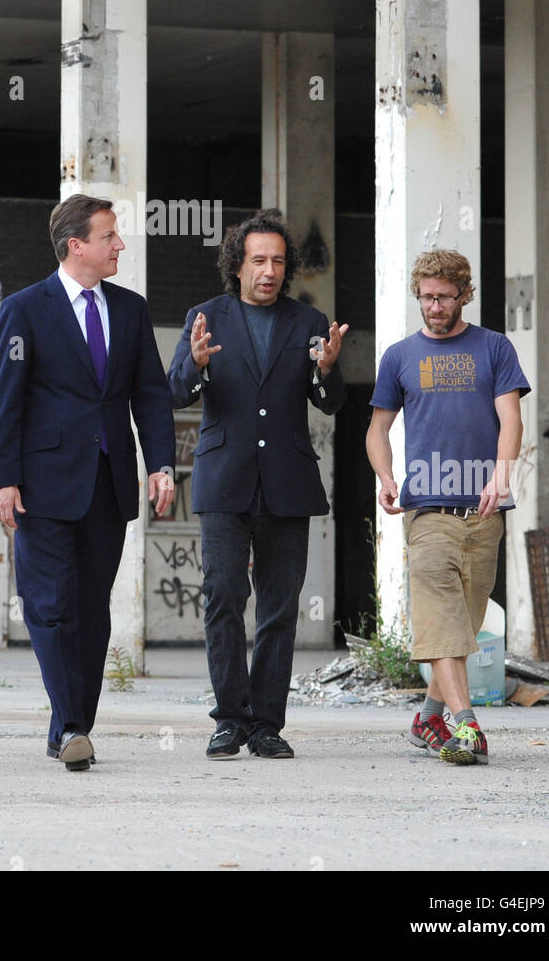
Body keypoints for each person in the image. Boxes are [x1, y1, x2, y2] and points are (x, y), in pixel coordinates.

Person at [0, 195, 175, 771]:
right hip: (41, 486)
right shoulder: (25, 309)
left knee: (92, 610)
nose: (120, 245)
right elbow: (6, 402)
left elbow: (149, 393)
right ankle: (70, 724)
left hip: (108, 482)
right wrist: (3, 480)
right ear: (77, 246)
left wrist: (161, 464)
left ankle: (71, 724)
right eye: (110, 236)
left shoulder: (132, 309)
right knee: (49, 606)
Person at [167, 210, 348, 759]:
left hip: (288, 483)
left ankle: (266, 723)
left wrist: (327, 371)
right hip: (224, 481)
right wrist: (195, 364)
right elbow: (174, 393)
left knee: (279, 607)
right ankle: (229, 719)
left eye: (277, 261)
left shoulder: (309, 323)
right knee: (222, 597)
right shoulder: (205, 317)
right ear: (237, 265)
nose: (268, 271)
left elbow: (331, 403)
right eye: (258, 260)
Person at [366, 249, 529, 766]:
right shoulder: (399, 356)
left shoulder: (494, 348)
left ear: (464, 294)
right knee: (439, 615)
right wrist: (387, 476)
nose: (434, 306)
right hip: (428, 509)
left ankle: (428, 716)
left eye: (444, 297)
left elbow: (511, 421)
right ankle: (467, 727)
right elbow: (377, 429)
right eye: (426, 297)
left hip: (483, 511)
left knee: (464, 625)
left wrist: (502, 475)